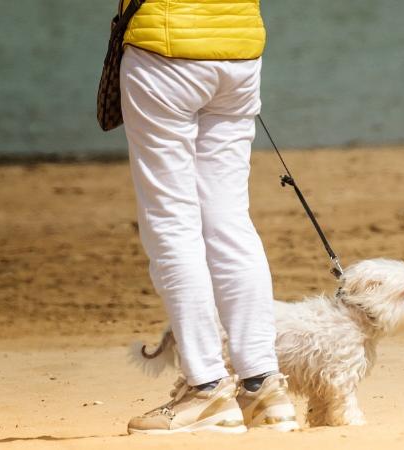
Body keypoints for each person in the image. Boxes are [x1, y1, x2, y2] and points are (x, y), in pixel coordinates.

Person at [118, 0, 299, 434]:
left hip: (164, 48)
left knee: (170, 221)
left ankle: (206, 389)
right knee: (230, 219)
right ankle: (263, 388)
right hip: (239, 51)